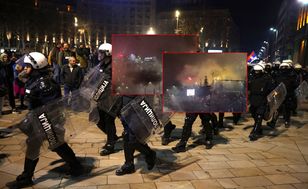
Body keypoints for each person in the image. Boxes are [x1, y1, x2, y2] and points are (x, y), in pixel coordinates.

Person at [6, 52, 84, 189]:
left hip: (47, 121)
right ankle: (26, 176)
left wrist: (45, 124)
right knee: (33, 145)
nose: (24, 68)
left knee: (57, 145)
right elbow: (21, 92)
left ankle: (76, 166)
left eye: (27, 66)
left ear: (36, 67)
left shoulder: (45, 83)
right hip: (39, 120)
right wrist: (20, 79)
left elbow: (51, 107)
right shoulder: (35, 79)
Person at [115, 96, 156, 176]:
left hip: (137, 105)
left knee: (132, 139)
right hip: (124, 104)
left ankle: (149, 153)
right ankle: (129, 164)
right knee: (127, 136)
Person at [95, 43, 119, 156]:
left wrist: (96, 94)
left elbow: (108, 82)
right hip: (103, 97)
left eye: (101, 52)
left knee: (109, 120)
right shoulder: (102, 65)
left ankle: (110, 144)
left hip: (112, 98)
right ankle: (113, 136)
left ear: (108, 53)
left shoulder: (113, 66)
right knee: (98, 120)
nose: (99, 54)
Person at [267, 60, 300, 128]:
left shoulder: (292, 75)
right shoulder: (278, 75)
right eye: (283, 67)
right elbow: (275, 84)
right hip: (280, 94)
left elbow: (295, 85)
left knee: (287, 109)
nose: (284, 68)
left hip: (288, 94)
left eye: (285, 67)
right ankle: (273, 122)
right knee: (277, 108)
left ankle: (286, 121)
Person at [248, 64, 275, 141]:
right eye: (255, 71)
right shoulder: (252, 77)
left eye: (258, 71)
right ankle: (258, 128)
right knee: (253, 113)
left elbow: (272, 88)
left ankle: (255, 132)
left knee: (259, 115)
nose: (256, 72)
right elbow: (248, 86)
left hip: (262, 98)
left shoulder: (267, 78)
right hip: (253, 98)